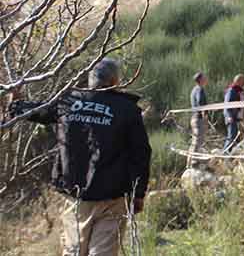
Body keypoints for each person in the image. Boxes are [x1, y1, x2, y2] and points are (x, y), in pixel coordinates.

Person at [9, 58, 152, 256]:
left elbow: (34, 112)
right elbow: (141, 153)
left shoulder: (68, 101)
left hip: (75, 197)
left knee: (74, 252)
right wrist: (139, 193)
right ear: (114, 81)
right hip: (111, 199)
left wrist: (16, 103)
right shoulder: (127, 109)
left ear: (90, 79)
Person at [188, 72, 208, 168]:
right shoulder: (199, 89)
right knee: (197, 140)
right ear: (200, 80)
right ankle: (193, 162)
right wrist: (204, 115)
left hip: (194, 118)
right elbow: (200, 102)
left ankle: (191, 160)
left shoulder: (194, 89)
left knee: (196, 140)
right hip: (198, 118)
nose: (206, 79)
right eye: (204, 78)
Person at [223, 74, 244, 153]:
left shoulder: (238, 91)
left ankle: (230, 153)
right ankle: (225, 153)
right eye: (243, 80)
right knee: (231, 136)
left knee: (235, 135)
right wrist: (229, 116)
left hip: (235, 117)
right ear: (239, 81)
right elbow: (227, 104)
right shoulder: (232, 90)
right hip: (231, 118)